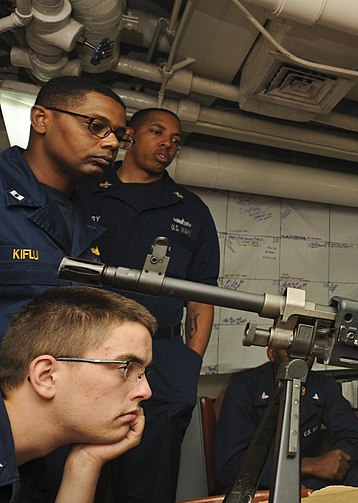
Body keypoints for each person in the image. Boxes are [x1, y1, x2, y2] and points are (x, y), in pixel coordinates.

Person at [77, 108, 220, 502]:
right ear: (129, 136)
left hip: (161, 360)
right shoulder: (84, 191)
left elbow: (203, 296)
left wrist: (189, 363)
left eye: (176, 140)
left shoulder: (190, 210)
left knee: (149, 486)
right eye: (158, 132)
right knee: (75, 474)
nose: (168, 144)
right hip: (84, 355)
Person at [0, 76, 130, 341]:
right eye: (96, 126)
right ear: (41, 119)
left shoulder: (87, 212)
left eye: (117, 134)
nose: (113, 143)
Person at [0, 286, 155, 503]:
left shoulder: (41, 461)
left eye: (143, 374)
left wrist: (85, 463)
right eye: (126, 367)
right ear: (46, 376)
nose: (146, 392)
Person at [214, 347, 358, 493]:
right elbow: (230, 467)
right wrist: (307, 466)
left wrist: (333, 460)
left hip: (307, 481)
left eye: (307, 351)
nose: (300, 357)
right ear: (272, 354)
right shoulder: (243, 389)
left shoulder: (324, 386)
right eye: (290, 351)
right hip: (259, 483)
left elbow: (356, 442)